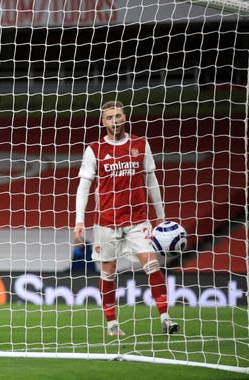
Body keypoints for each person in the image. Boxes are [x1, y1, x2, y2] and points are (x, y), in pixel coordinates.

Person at [73, 100, 179, 337]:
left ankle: (165, 317)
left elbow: (151, 181)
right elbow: (84, 186)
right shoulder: (94, 149)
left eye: (118, 116)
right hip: (106, 221)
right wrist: (79, 220)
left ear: (125, 118)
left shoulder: (141, 144)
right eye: (110, 117)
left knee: (152, 265)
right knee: (108, 272)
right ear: (103, 122)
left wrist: (161, 217)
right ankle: (112, 324)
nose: (114, 121)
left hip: (138, 220)